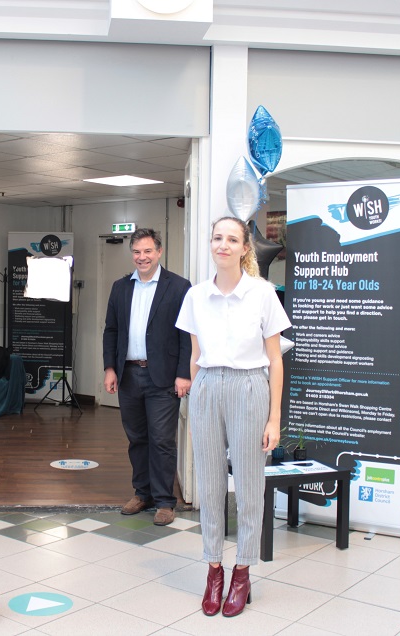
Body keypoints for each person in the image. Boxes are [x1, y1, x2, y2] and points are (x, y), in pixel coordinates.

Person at [175, 216, 291, 618]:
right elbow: (193, 356)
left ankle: (242, 570)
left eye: (232, 239)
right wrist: (195, 404)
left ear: (245, 248)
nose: (222, 244)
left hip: (249, 387)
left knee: (248, 484)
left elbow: (275, 361)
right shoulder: (196, 296)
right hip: (207, 386)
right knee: (207, 485)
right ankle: (213, 570)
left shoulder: (262, 293)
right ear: (211, 244)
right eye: (217, 238)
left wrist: (274, 419)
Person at [103, 227, 192, 526]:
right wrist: (110, 368)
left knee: (163, 440)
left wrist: (184, 374)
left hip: (164, 378)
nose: (142, 257)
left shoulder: (179, 287)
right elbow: (111, 331)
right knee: (137, 439)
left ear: (159, 252)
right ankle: (142, 494)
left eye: (147, 251)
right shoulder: (120, 287)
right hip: (128, 374)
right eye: (137, 252)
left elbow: (186, 336)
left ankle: (165, 501)